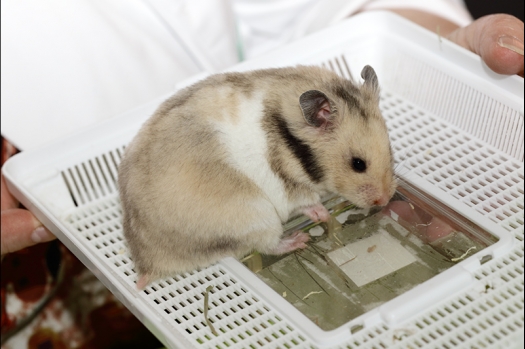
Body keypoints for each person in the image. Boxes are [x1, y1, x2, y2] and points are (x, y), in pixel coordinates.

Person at [1, 1, 523, 347]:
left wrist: (429, 42)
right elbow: (282, 171)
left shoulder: (309, 114)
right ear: (317, 115)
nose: (378, 191)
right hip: (78, 219)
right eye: (360, 167)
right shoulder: (281, 137)